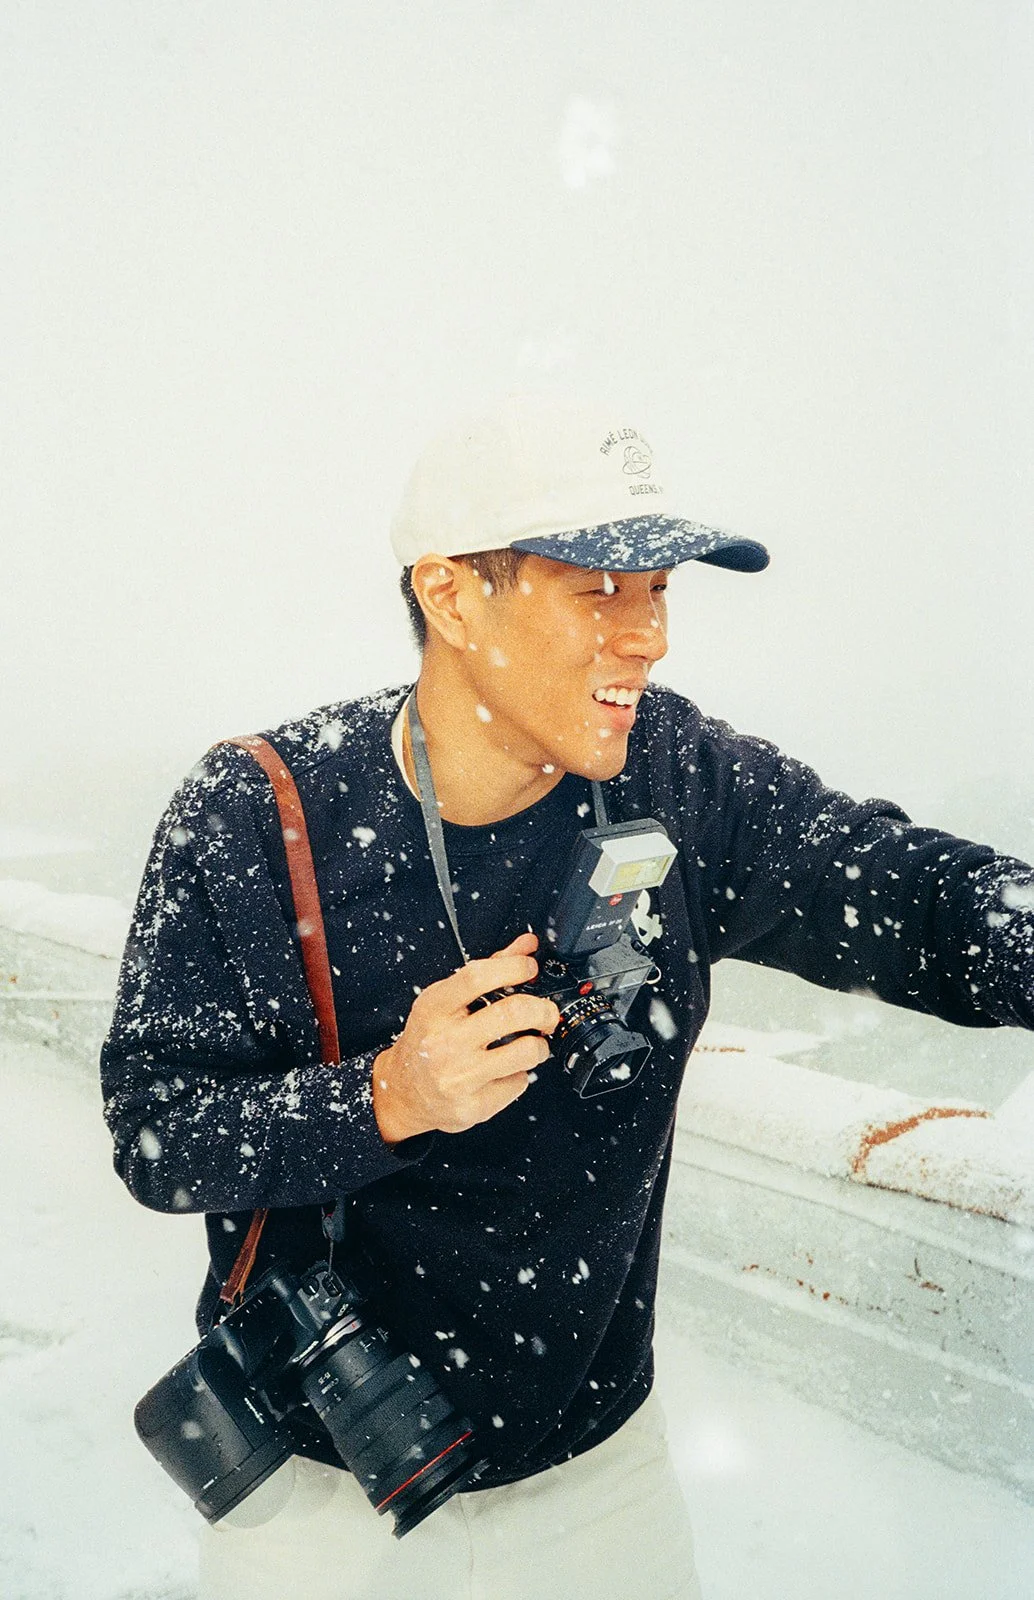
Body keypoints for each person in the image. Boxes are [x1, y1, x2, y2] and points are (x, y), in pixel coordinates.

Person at [101, 395, 1034, 1600]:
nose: (646, 639)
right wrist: (382, 1097)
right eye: (599, 591)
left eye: (658, 590)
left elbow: (905, 895)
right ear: (447, 595)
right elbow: (156, 1134)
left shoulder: (676, 779)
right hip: (320, 1504)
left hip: (600, 1490)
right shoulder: (254, 813)